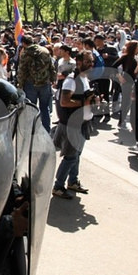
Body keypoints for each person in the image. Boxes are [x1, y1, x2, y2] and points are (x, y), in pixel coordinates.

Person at [52, 50, 94, 199]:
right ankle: (58, 186)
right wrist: (85, 102)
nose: (91, 64)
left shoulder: (84, 78)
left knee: (77, 155)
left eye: (92, 61)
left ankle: (73, 181)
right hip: (72, 125)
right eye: (88, 61)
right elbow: (64, 102)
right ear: (79, 62)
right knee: (70, 156)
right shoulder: (71, 80)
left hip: (82, 124)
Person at [17, 35, 55, 133]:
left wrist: (20, 85)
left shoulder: (25, 53)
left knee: (30, 109)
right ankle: (46, 130)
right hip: (45, 83)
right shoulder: (45, 51)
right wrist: (53, 79)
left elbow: (22, 71)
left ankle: (31, 130)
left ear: (23, 43)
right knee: (45, 107)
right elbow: (51, 66)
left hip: (30, 84)